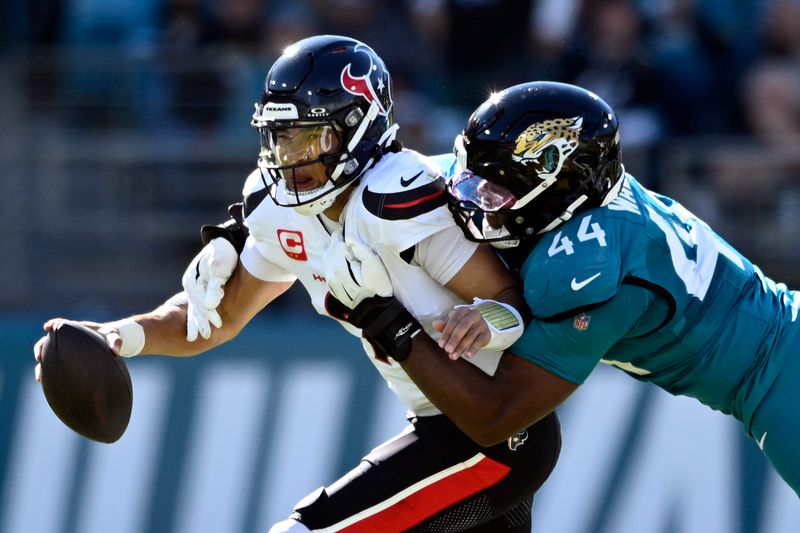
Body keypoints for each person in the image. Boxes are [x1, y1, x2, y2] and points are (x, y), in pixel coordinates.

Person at [34, 36, 561, 532]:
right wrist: (116, 337)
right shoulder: (280, 214)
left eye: (309, 137)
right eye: (280, 138)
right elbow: (211, 323)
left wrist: (482, 321)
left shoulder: (397, 200)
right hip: (440, 424)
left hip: (497, 428)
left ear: (359, 125)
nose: (290, 158)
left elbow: (511, 300)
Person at [326, 80, 800, 496]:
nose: (473, 198)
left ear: (556, 189)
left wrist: (387, 322)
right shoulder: (571, 196)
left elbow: (496, 417)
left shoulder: (592, 266)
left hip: (778, 379)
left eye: (493, 192)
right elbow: (416, 181)